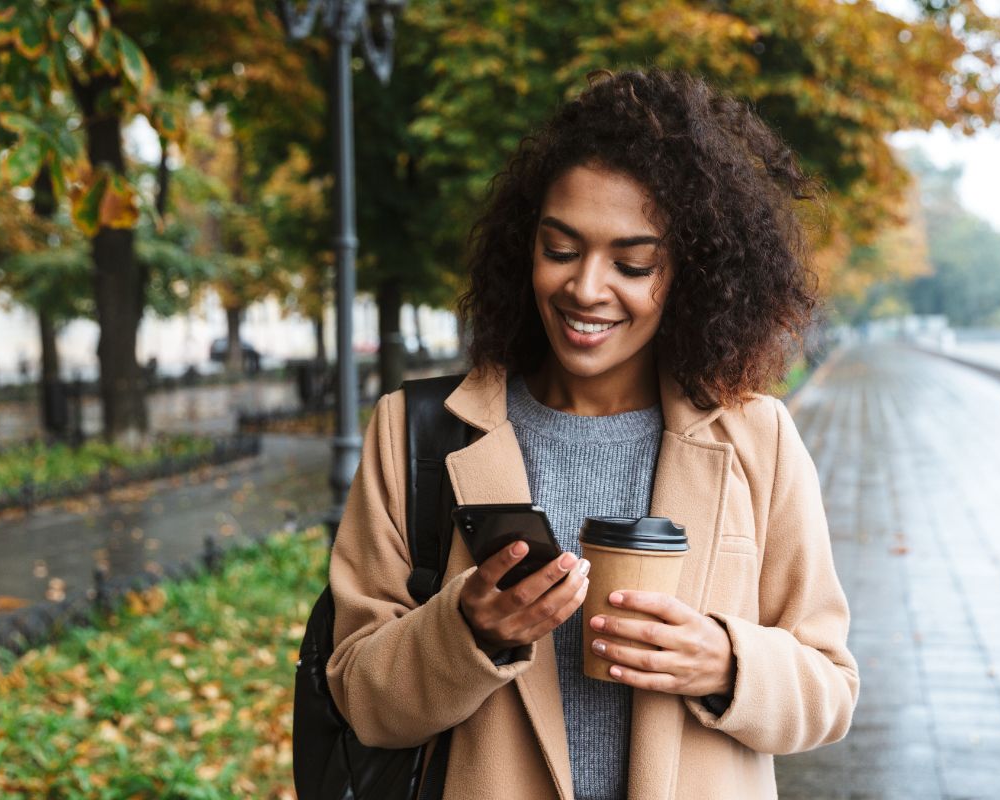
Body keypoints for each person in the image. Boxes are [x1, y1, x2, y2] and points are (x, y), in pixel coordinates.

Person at [326, 68, 859, 800]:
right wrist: (469, 631)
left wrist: (727, 663)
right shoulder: (416, 433)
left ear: (692, 275)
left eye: (633, 263)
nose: (586, 288)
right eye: (561, 249)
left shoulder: (755, 438)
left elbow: (830, 690)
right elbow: (359, 696)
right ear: (525, 248)